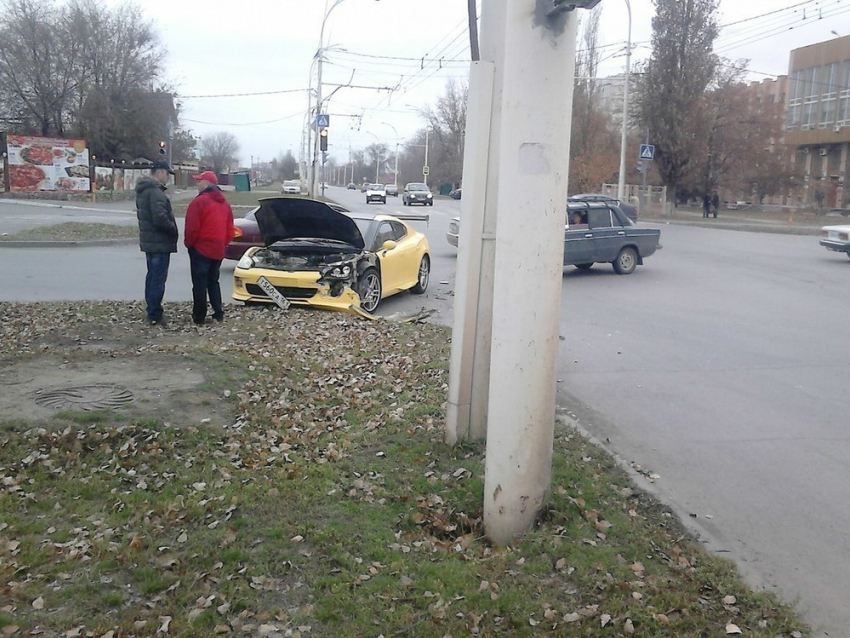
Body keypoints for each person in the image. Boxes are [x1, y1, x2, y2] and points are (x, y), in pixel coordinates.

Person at [184, 170, 235, 325]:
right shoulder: (225, 203)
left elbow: (192, 228)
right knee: (213, 281)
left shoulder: (199, 202)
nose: (198, 184)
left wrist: (189, 244)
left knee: (199, 283)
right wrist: (223, 244)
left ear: (206, 183)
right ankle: (218, 312)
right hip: (218, 249)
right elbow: (230, 229)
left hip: (201, 249)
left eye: (199, 181)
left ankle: (199, 316)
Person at [136, 160, 178, 326]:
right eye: (167, 174)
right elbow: (160, 218)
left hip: (150, 241)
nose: (168, 178)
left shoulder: (144, 190)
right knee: (157, 279)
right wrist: (173, 229)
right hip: (159, 242)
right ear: (159, 172)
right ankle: (155, 314)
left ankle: (152, 310)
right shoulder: (155, 192)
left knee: (152, 277)